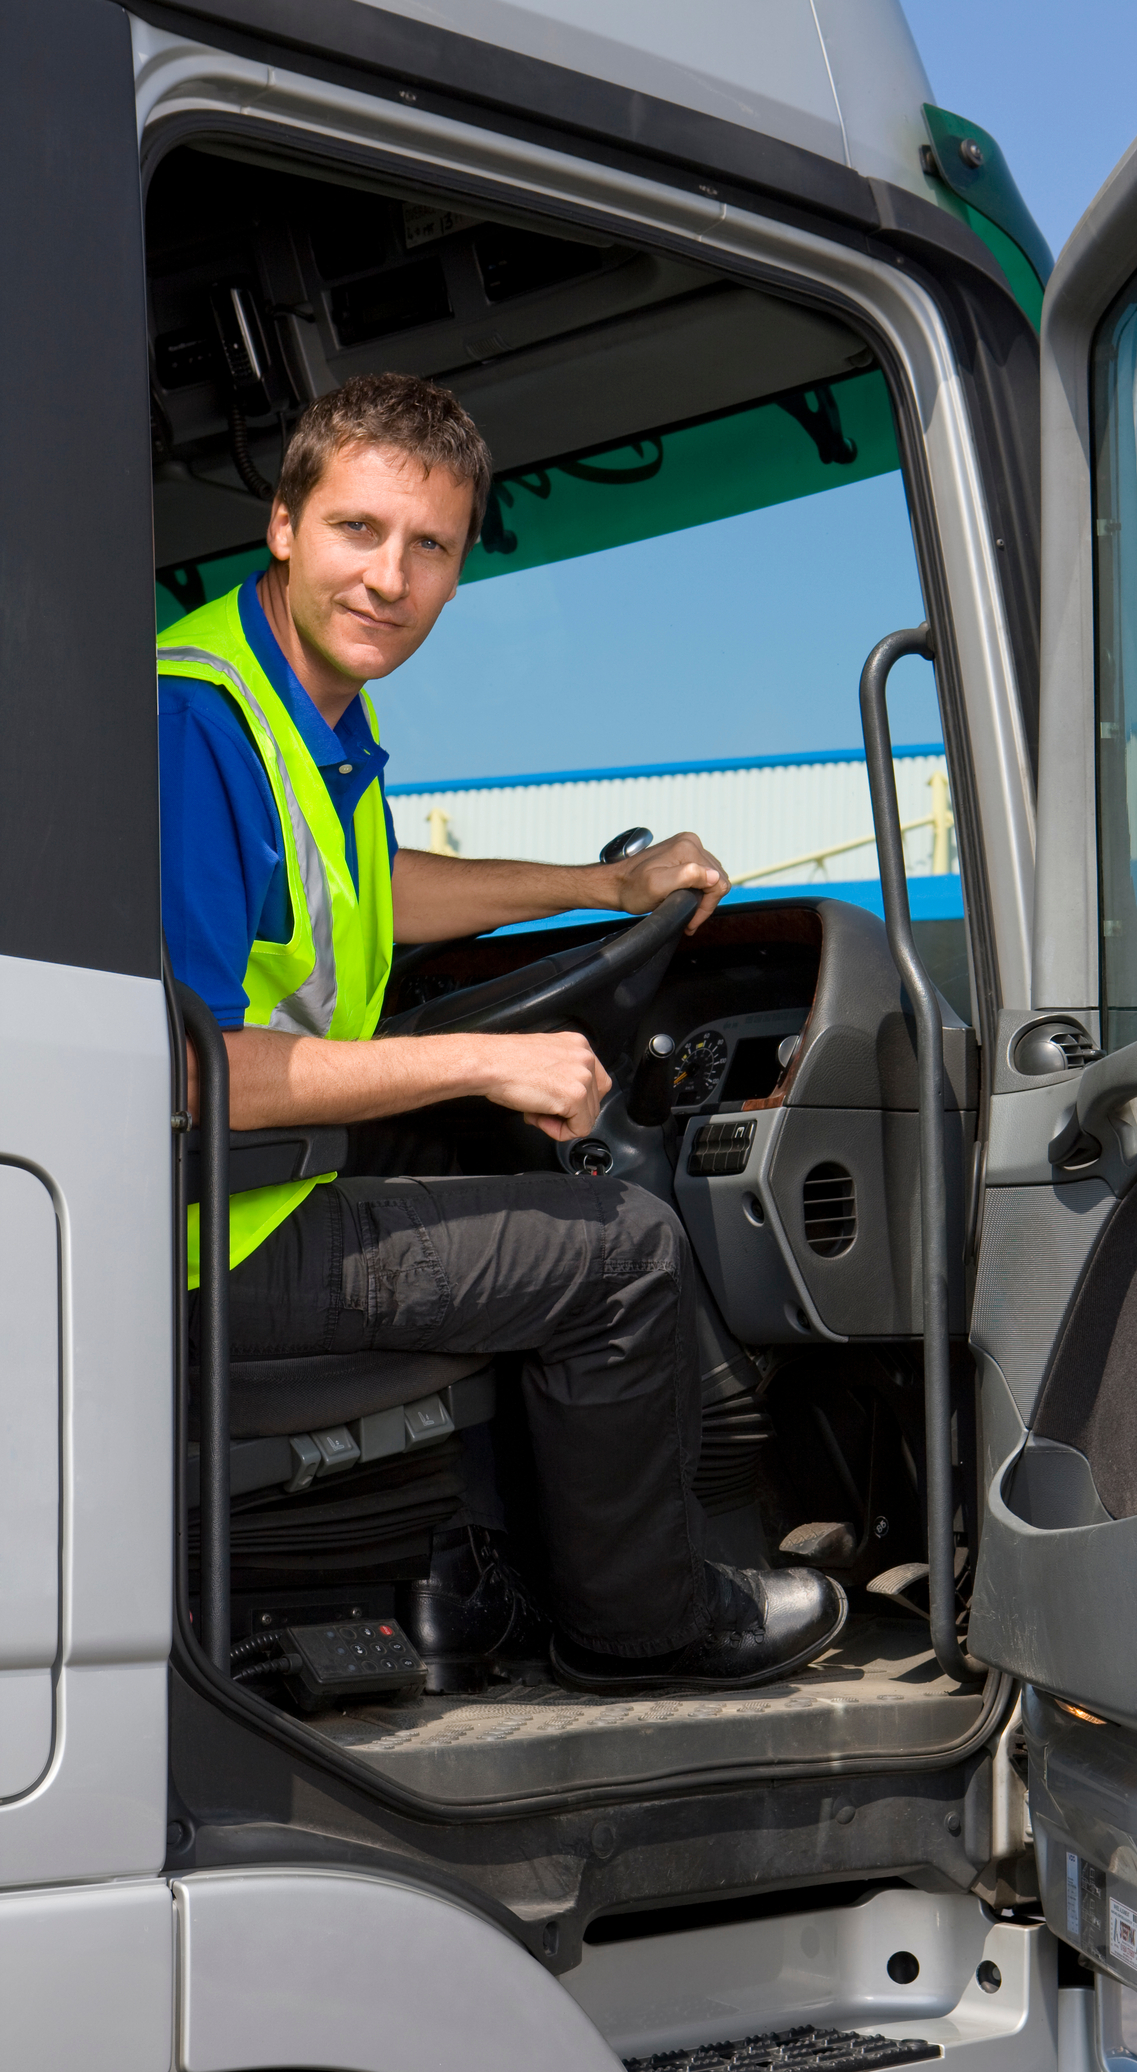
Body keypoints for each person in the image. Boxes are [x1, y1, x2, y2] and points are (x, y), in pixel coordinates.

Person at [162, 371, 845, 1690]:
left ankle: (483, 1576)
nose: (389, 580)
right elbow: (185, 1074)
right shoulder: (200, 723)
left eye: (430, 548)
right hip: (196, 1243)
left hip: (230, 1202)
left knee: (504, 1179)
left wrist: (603, 887)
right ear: (285, 524)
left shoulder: (292, 699)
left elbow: (372, 884)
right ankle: (643, 1627)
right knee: (629, 1248)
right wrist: (483, 1058)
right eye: (359, 531)